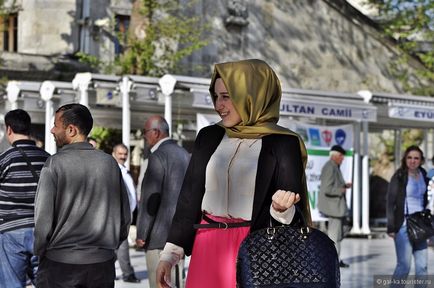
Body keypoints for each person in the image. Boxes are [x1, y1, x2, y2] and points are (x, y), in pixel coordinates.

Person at [155, 59, 311, 288]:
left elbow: (293, 212)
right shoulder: (208, 136)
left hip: (257, 251)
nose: (218, 105)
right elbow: (189, 198)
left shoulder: (284, 143)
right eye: (216, 96)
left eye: (226, 96)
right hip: (207, 245)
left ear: (252, 95)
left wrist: (281, 209)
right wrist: (169, 256)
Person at [34, 103, 131, 288]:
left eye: (56, 125)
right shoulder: (109, 164)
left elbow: (43, 220)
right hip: (101, 265)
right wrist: (107, 248)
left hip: (60, 265)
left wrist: (41, 250)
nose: (52, 130)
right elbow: (125, 217)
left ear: (71, 130)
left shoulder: (54, 164)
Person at [136, 115, 190, 288]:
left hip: (158, 238)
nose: (144, 136)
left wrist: (142, 233)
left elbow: (150, 199)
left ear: (156, 132)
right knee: (176, 283)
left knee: (160, 283)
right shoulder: (185, 154)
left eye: (145, 132)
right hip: (179, 236)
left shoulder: (158, 156)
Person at [0, 109, 50, 287]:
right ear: (29, 129)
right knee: (46, 283)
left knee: (11, 283)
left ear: (9, 130)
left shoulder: (5, 159)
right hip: (43, 232)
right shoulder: (48, 159)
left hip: (11, 232)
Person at [387, 145, 428, 286]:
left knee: (422, 267)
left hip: (421, 224)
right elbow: (390, 202)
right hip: (404, 224)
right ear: (405, 159)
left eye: (416, 158)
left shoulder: (424, 174)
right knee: (404, 266)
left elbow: (427, 199)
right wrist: (391, 227)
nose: (412, 161)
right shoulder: (399, 175)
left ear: (421, 160)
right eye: (409, 157)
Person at [317, 144, 352, 268]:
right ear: (335, 156)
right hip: (334, 209)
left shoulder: (334, 167)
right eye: (341, 156)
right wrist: (340, 190)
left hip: (336, 208)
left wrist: (344, 186)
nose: (343, 158)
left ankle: (334, 259)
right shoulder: (330, 167)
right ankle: (334, 261)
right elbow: (327, 189)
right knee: (334, 237)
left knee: (338, 235)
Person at [112, 143, 141, 283]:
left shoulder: (126, 171)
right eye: (120, 153)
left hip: (128, 215)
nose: (123, 156)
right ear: (113, 154)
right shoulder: (111, 171)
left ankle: (108, 270)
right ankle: (128, 273)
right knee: (121, 245)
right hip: (117, 216)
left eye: (125, 154)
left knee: (116, 247)